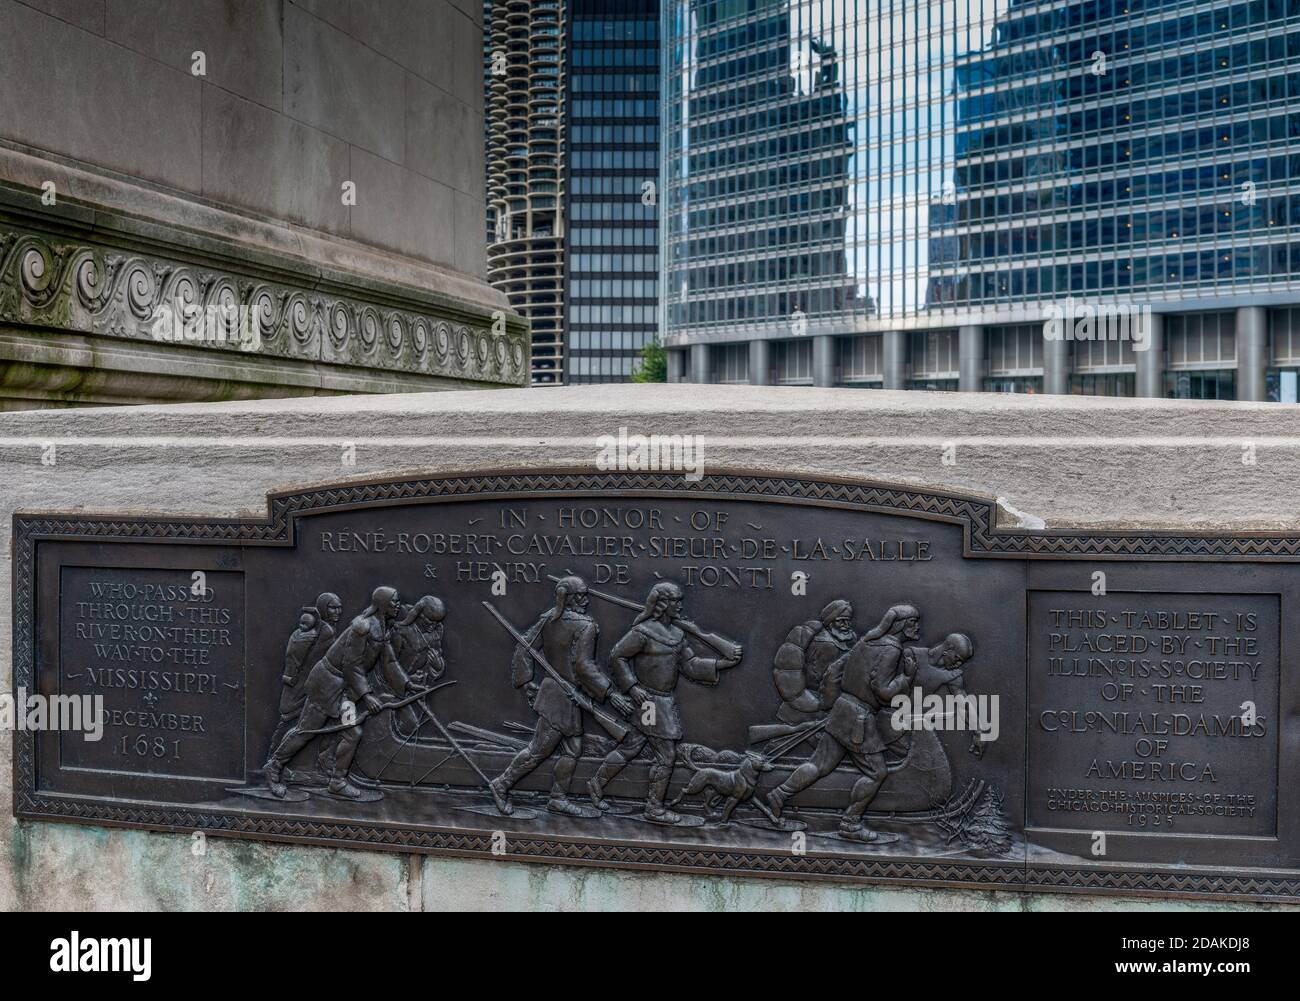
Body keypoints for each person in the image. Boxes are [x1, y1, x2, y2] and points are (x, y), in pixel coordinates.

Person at [587, 582, 742, 825]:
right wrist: (633, 688)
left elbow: (689, 666)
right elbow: (617, 656)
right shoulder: (643, 632)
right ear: (662, 604)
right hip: (649, 702)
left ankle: (596, 784)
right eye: (675, 601)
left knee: (630, 746)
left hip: (663, 701)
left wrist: (720, 664)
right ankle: (654, 808)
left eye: (680, 600)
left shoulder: (678, 635)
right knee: (666, 756)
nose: (680, 605)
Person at [764, 604, 921, 842]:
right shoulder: (892, 649)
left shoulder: (866, 640)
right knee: (877, 772)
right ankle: (850, 823)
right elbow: (883, 691)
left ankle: (779, 794)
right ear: (900, 625)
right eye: (913, 622)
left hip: (842, 709)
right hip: (860, 719)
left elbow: (834, 671)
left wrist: (830, 703)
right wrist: (906, 678)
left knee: (819, 765)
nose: (917, 626)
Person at [489, 577, 630, 818]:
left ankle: (557, 798)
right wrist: (610, 693)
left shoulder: (548, 619)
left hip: (564, 694)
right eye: (580, 596)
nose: (585, 600)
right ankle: (501, 785)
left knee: (573, 749)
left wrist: (526, 682)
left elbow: (523, 647)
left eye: (586, 595)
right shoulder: (585, 626)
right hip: (560, 697)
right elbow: (584, 666)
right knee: (538, 751)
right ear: (567, 597)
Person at [264, 587, 401, 800]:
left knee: (352, 733)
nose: (397, 605)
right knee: (306, 731)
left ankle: (337, 781)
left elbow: (389, 661)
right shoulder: (362, 627)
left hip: (344, 689)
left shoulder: (382, 628)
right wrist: (366, 696)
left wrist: (408, 685)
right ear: (382, 603)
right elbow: (351, 664)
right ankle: (274, 767)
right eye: (394, 602)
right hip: (327, 684)